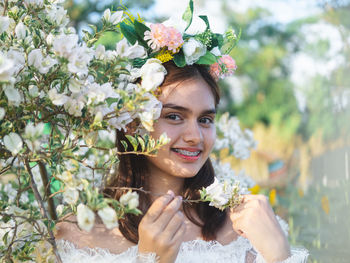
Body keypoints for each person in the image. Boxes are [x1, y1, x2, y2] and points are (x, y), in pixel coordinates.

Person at [56, 61, 308, 262]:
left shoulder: (245, 227)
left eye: (205, 119)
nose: (195, 136)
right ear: (133, 125)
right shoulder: (77, 233)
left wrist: (278, 255)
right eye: (174, 116)